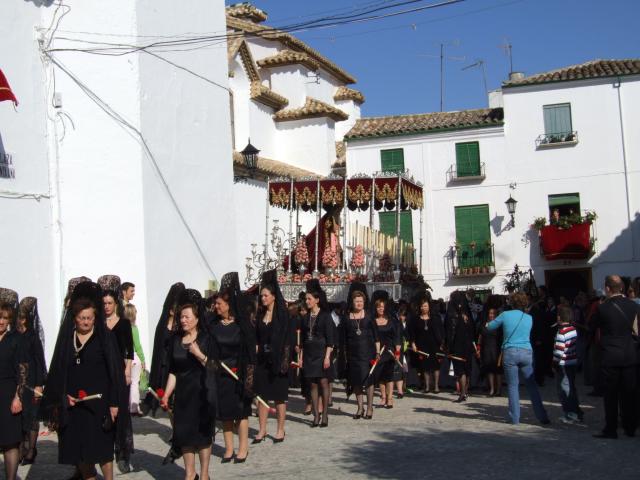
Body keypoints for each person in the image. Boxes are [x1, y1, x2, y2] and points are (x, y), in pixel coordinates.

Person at [40, 281, 126, 480]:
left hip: (100, 405)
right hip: (73, 406)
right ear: (75, 318)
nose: (86, 322)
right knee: (79, 449)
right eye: (82, 318)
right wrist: (62, 396)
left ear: (95, 318)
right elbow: (59, 372)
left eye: (89, 318)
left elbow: (115, 374)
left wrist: (114, 403)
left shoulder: (104, 339)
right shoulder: (67, 340)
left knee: (102, 449)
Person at [160, 289, 217, 480]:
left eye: (186, 316)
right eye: (181, 317)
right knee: (184, 436)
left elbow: (214, 366)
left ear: (197, 318)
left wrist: (199, 353)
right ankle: (190, 474)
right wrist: (167, 394)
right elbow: (174, 371)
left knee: (202, 437)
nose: (183, 320)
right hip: (183, 396)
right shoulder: (176, 340)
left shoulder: (206, 338)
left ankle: (205, 474)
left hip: (202, 394)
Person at [210, 272, 255, 464]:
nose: (216, 306)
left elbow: (249, 352)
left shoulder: (241, 326)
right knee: (226, 414)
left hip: (239, 375)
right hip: (222, 375)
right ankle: (228, 448)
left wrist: (248, 378)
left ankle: (243, 447)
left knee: (241, 413)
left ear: (229, 305)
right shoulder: (214, 325)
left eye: (220, 303)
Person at [487, 291, 550, 425]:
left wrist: (488, 323)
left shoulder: (505, 315)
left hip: (510, 352)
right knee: (532, 385)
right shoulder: (528, 318)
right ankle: (542, 415)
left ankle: (515, 418)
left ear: (512, 302)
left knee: (512, 386)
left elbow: (491, 327)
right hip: (526, 351)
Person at [591, 275, 640, 439]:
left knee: (611, 395)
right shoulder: (633, 306)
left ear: (607, 288)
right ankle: (630, 426)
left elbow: (592, 328)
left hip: (610, 355)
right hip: (629, 354)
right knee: (629, 393)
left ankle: (611, 429)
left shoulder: (602, 308)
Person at [253, 270, 292, 443]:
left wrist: (284, 361)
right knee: (262, 396)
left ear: (274, 296)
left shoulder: (282, 315)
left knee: (279, 396)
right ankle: (261, 430)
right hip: (263, 360)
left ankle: (280, 429)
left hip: (278, 360)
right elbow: (257, 337)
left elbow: (288, 339)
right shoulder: (260, 315)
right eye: (261, 296)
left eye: (266, 295)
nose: (263, 298)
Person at [100, 281, 134, 474]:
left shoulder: (123, 324)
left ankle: (122, 453)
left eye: (109, 303)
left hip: (120, 371)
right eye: (104, 303)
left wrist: (127, 371)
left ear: (116, 304)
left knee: (121, 412)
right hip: (103, 373)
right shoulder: (100, 324)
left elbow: (129, 350)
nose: (106, 307)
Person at [16, 297, 47, 465]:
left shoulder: (32, 335)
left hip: (32, 379)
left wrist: (39, 384)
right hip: (17, 380)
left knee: (32, 415)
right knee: (19, 417)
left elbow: (39, 360)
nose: (19, 320)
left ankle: (31, 449)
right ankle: (21, 447)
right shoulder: (13, 334)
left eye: (22, 317)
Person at [0, 289, 28, 480]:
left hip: (8, 391)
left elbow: (23, 370)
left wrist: (18, 396)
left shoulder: (15, 340)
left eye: (5, 318)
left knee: (10, 441)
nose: (1, 322)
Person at [341, 286, 379, 420]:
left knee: (368, 381)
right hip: (353, 354)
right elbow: (344, 337)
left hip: (367, 353)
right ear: (352, 302)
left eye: (361, 301)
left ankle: (369, 407)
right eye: (356, 301)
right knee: (356, 381)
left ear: (364, 302)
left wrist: (378, 352)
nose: (359, 303)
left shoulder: (369, 316)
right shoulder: (346, 317)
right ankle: (359, 407)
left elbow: (376, 336)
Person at [302, 289, 336, 428]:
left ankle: (325, 414)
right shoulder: (306, 317)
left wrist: (327, 356)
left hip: (322, 354)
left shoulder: (326, 316)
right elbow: (303, 338)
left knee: (323, 382)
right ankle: (316, 415)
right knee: (313, 384)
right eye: (306, 299)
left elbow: (330, 339)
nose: (307, 301)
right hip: (309, 354)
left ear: (316, 300)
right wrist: (301, 356)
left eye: (309, 298)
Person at [553, 305, 583, 424]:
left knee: (564, 389)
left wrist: (554, 363)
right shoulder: (573, 329)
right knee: (572, 387)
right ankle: (577, 411)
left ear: (559, 317)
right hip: (573, 361)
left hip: (563, 363)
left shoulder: (561, 332)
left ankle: (571, 413)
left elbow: (559, 351)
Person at [445, 291, 476, 403]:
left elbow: (449, 330)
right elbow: (473, 329)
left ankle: (462, 393)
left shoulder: (452, 312)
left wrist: (448, 345)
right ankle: (465, 391)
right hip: (468, 343)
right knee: (466, 368)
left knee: (460, 369)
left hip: (456, 344)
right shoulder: (467, 313)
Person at [409, 298, 444, 394]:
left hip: (435, 345)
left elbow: (441, 331)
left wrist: (442, 343)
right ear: (420, 307)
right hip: (422, 345)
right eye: (422, 306)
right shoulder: (415, 319)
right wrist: (413, 343)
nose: (424, 308)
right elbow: (412, 333)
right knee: (425, 366)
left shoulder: (435, 318)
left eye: (426, 306)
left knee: (436, 366)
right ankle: (427, 386)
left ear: (429, 307)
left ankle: (436, 386)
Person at [372, 295, 401, 408]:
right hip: (378, 352)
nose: (380, 309)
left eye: (382, 307)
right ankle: (383, 397)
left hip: (390, 352)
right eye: (378, 307)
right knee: (380, 376)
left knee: (389, 376)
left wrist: (397, 352)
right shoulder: (373, 321)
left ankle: (390, 398)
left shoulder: (392, 321)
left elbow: (397, 337)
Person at [124, 304, 145, 416]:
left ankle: (127, 405)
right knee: (134, 383)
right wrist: (143, 359)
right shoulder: (133, 328)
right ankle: (134, 406)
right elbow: (137, 346)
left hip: (124, 358)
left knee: (127, 383)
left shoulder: (121, 328)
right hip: (134, 357)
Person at [477, 307, 503, 396]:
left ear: (496, 315)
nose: (491, 315)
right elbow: (480, 337)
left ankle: (498, 390)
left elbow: (502, 338)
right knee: (489, 370)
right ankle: (492, 389)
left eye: (493, 313)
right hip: (487, 349)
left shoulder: (499, 325)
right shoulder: (484, 324)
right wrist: (478, 348)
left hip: (497, 349)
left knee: (498, 371)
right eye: (490, 313)